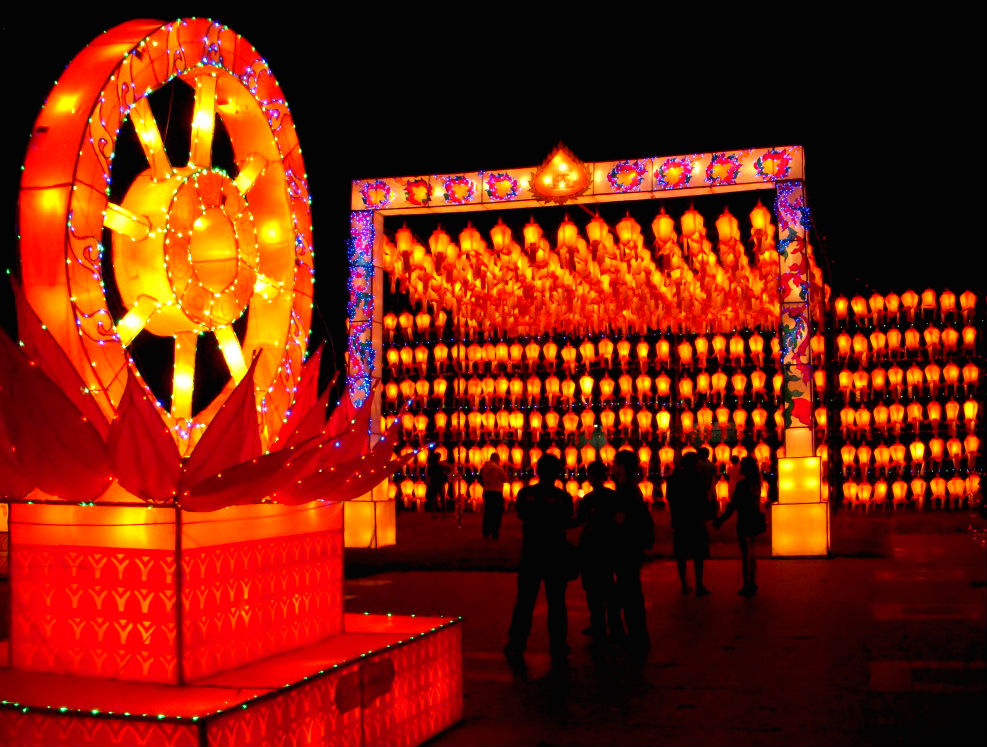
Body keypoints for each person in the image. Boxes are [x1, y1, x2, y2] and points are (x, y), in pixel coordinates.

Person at [504, 454, 574, 674]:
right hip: (554, 553)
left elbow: (523, 515)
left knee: (524, 601)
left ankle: (516, 643)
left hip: (532, 553)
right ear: (557, 474)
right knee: (556, 602)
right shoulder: (563, 497)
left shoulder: (526, 494)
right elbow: (566, 520)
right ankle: (558, 644)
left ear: (538, 472)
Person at [573, 460, 622, 643]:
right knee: (606, 588)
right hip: (604, 546)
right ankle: (611, 625)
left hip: (595, 546)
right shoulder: (610, 497)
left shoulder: (592, 499)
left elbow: (579, 520)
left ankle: (600, 625)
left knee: (596, 590)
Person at [612, 450, 654, 654]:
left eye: (615, 463)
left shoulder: (625, 491)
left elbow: (620, 520)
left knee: (629, 591)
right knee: (631, 590)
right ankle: (637, 633)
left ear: (622, 467)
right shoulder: (632, 489)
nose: (612, 467)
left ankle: (636, 635)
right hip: (632, 546)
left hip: (626, 547)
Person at [714, 455, 765, 596]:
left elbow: (733, 506)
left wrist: (720, 520)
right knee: (752, 552)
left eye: (742, 465)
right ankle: (752, 582)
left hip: (745, 519)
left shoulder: (742, 485)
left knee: (745, 554)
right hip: (754, 518)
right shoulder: (756, 483)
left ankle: (747, 584)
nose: (740, 467)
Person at [666, 451, 711, 596]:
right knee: (698, 555)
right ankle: (699, 584)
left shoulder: (673, 479)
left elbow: (670, 498)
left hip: (680, 520)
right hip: (695, 520)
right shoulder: (698, 478)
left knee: (681, 555)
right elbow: (703, 499)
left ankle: (684, 584)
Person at [479, 453, 507, 539]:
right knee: (496, 514)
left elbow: (481, 479)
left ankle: (486, 532)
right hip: (497, 492)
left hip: (487, 492)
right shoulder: (499, 468)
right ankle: (495, 532)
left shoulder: (484, 468)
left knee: (488, 513)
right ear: (497, 459)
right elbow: (505, 478)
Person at [425, 451, 451, 516]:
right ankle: (443, 512)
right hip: (440, 483)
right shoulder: (440, 465)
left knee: (434, 498)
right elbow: (449, 468)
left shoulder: (431, 466)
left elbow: (428, 474)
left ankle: (435, 513)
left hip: (434, 483)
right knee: (442, 498)